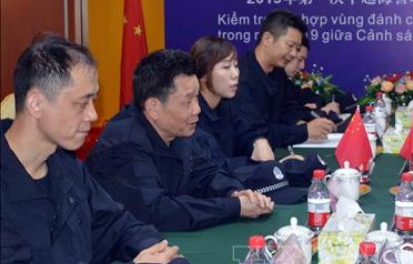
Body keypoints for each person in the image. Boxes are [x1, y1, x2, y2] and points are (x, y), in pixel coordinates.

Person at [0, 35, 178, 264]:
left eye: (93, 100)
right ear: (35, 103)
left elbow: (117, 225)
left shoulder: (68, 168)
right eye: (81, 103)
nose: (93, 115)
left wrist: (154, 249)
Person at [86, 49, 274, 231]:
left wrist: (233, 192)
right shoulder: (123, 144)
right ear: (153, 107)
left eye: (197, 98)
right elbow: (158, 211)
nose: (197, 110)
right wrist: (233, 207)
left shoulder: (178, 130)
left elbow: (206, 174)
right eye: (188, 102)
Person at [190, 35, 326, 188]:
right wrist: (272, 166)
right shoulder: (192, 116)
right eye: (226, 67)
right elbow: (215, 167)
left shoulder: (226, 108)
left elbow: (246, 134)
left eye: (236, 66)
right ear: (203, 75)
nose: (235, 74)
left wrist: (258, 141)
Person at [231, 9, 335, 153]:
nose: (293, 54)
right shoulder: (240, 78)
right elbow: (256, 132)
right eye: (290, 46)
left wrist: (301, 123)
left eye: (297, 48)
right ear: (267, 39)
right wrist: (304, 131)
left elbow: (288, 108)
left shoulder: (278, 72)